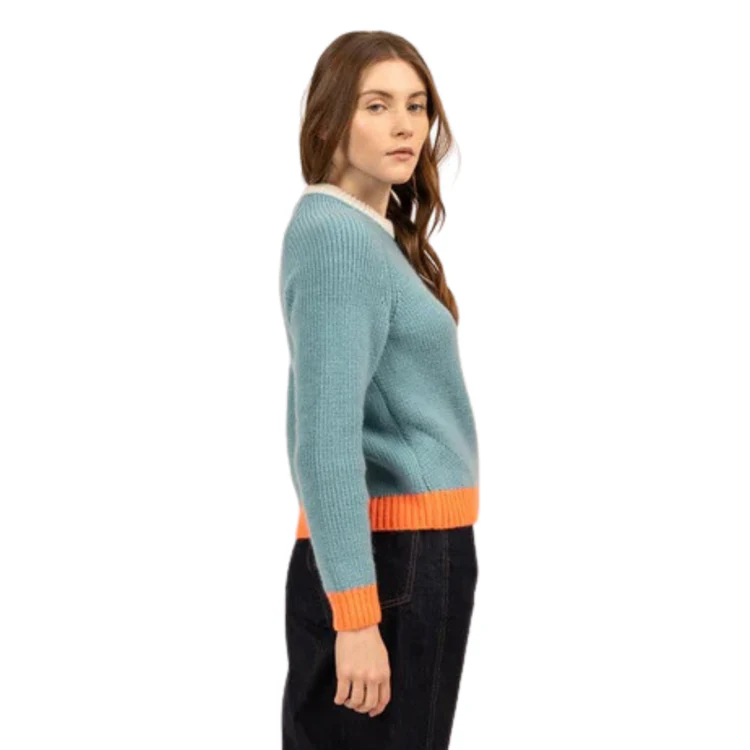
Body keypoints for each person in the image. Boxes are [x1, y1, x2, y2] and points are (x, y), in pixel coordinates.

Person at [278, 30, 480, 750]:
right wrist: (357, 616)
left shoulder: (369, 233)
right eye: (377, 105)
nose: (406, 126)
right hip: (394, 558)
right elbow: (325, 438)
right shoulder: (336, 237)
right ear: (330, 119)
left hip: (396, 554)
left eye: (417, 106)